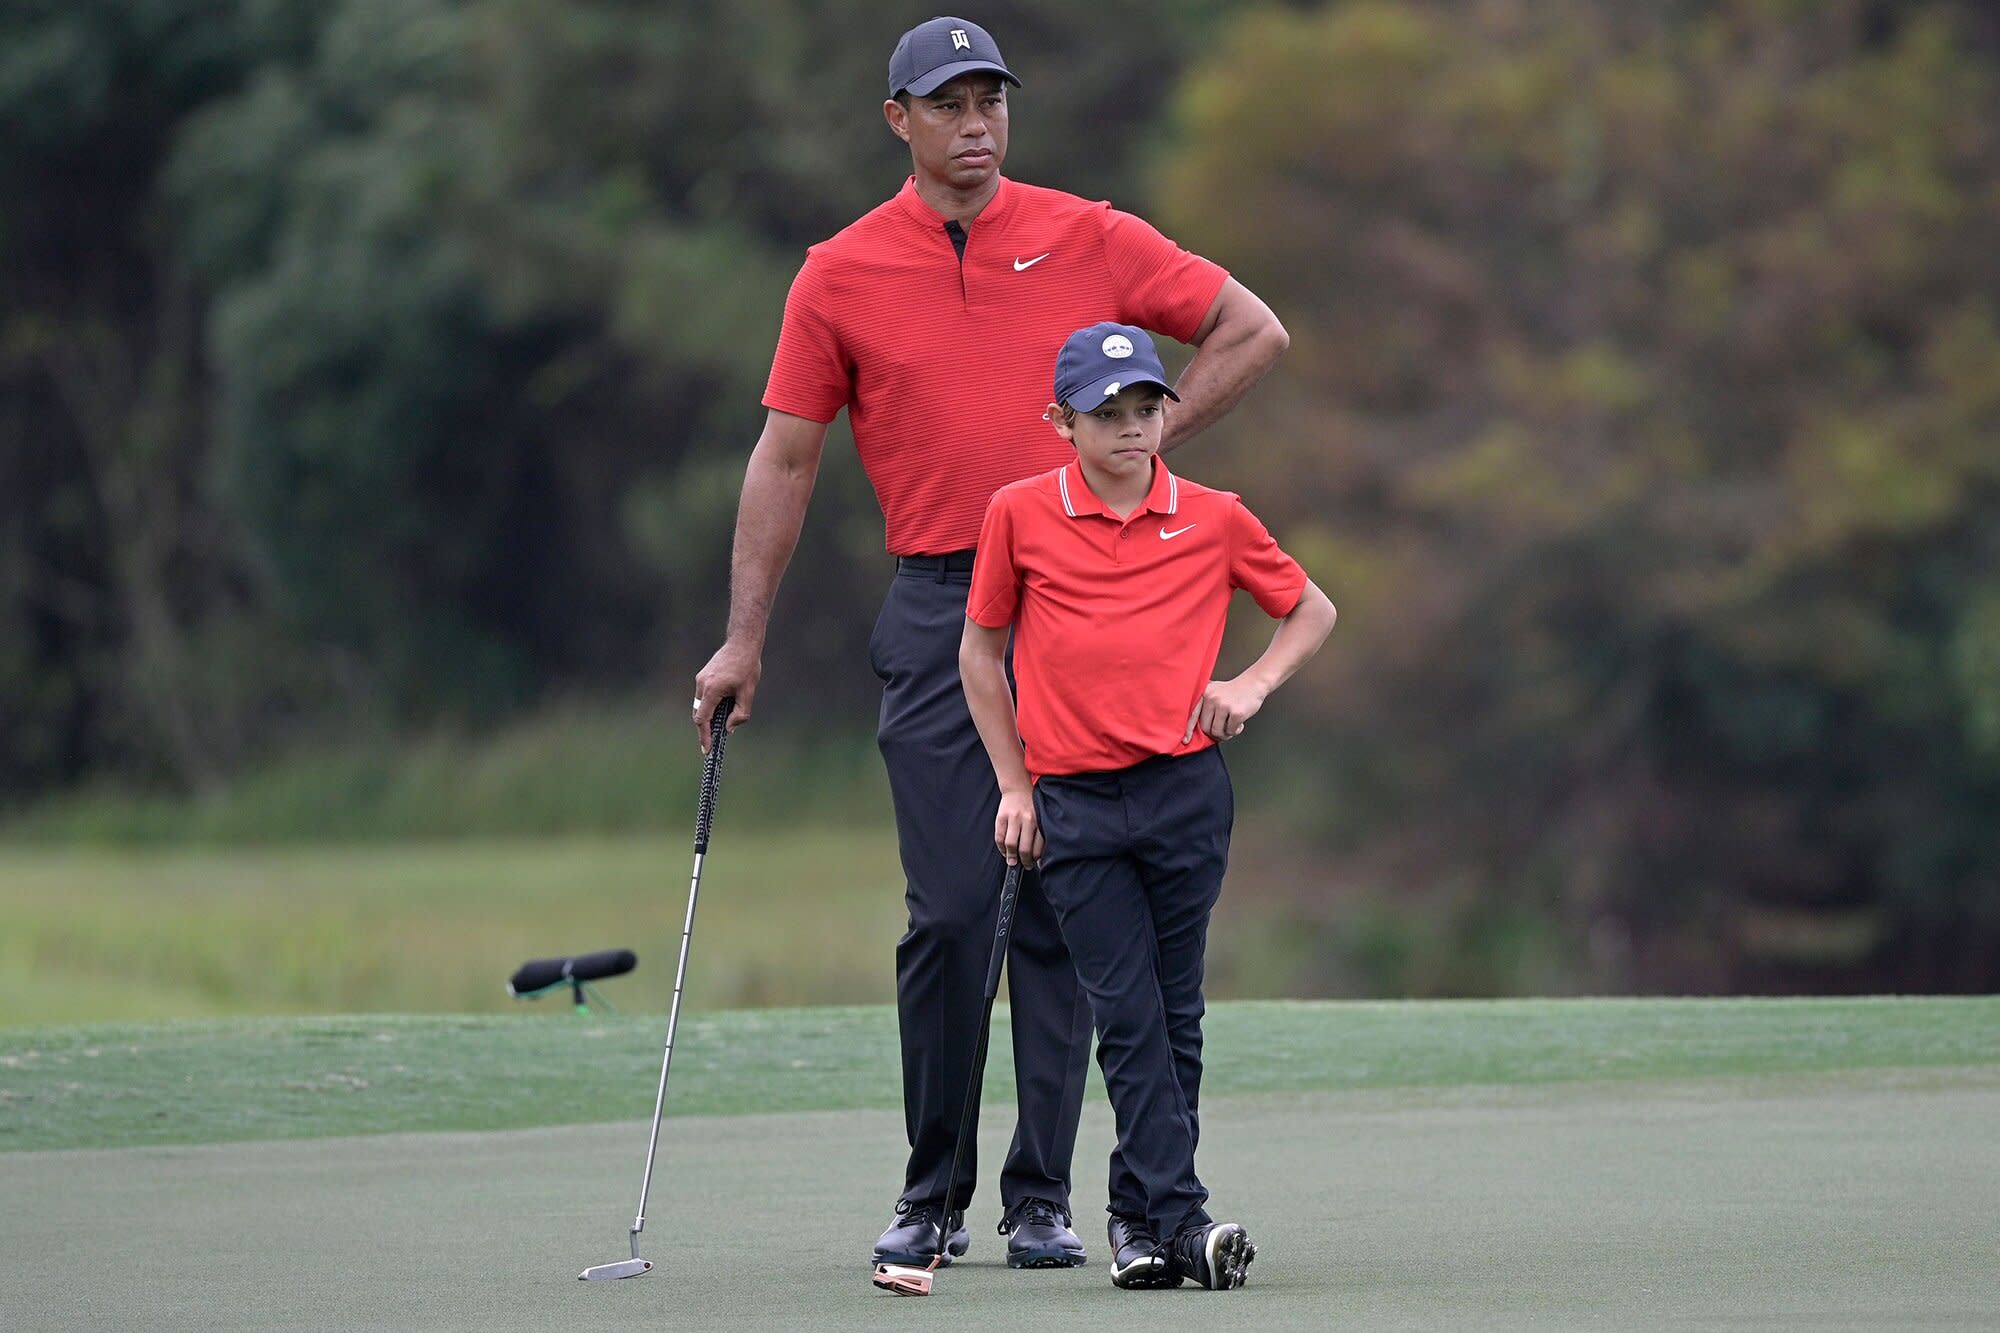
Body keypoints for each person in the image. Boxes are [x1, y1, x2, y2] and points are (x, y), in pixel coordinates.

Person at [691, 17, 1289, 1270]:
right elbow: (786, 455)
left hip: (1083, 595)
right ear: (897, 120)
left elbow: (1251, 330)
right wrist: (742, 638)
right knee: (956, 910)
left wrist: (1134, 449)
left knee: (1060, 920)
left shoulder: (1090, 233)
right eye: (946, 102)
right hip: (936, 601)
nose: (976, 122)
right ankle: (931, 1189)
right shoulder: (838, 271)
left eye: (990, 99)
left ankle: (1040, 1197)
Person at [959, 322, 1337, 1290]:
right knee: (1124, 1014)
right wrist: (1012, 783)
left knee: (1176, 1015)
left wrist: (1248, 687)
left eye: (1145, 410)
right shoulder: (1017, 513)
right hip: (1073, 801)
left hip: (1183, 792)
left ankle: (1137, 1223)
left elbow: (1309, 608)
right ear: (1061, 421)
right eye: (1107, 414)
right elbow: (980, 655)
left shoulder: (1212, 516)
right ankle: (1183, 1217)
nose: (1130, 429)